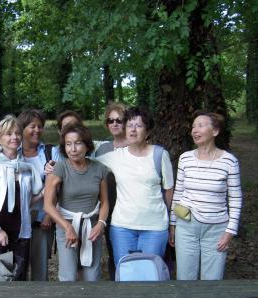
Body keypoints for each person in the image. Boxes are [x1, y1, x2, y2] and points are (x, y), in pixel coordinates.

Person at [97, 106, 174, 267]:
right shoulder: (116, 156)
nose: (133, 130)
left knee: (150, 274)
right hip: (122, 227)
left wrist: (169, 220)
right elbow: (85, 164)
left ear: (147, 131)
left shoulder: (160, 154)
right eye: (130, 125)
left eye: (138, 126)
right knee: (126, 273)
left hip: (154, 227)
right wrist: (53, 166)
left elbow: (169, 190)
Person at [169, 111, 242, 280]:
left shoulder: (229, 161)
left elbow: (236, 199)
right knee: (185, 277)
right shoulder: (185, 158)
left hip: (216, 229)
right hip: (186, 224)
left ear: (215, 131)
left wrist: (230, 231)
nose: (195, 130)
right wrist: (173, 224)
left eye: (200, 126)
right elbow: (178, 193)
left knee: (212, 279)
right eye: (193, 126)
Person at [0, 115, 43, 281]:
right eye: (8, 134)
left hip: (20, 231)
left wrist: (42, 194)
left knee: (19, 277)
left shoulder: (26, 168)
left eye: (17, 133)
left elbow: (25, 203)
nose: (14, 137)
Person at [44, 123, 109, 281]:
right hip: (66, 225)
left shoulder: (99, 168)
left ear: (87, 145)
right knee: (68, 276)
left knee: (92, 275)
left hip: (91, 226)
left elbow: (105, 201)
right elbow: (48, 205)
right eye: (68, 144)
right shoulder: (60, 168)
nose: (73, 149)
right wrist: (67, 227)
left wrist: (101, 224)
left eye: (78, 143)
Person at [18, 109, 60, 281]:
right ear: (21, 128)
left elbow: (59, 185)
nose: (37, 130)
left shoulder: (51, 152)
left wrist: (49, 214)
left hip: (42, 219)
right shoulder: (13, 151)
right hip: (18, 220)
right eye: (32, 126)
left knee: (40, 270)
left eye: (40, 126)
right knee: (17, 267)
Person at [94, 102, 128, 280]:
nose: (114, 124)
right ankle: (118, 282)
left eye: (119, 120)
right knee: (115, 250)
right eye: (110, 120)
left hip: (132, 208)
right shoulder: (103, 150)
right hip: (110, 207)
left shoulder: (135, 146)